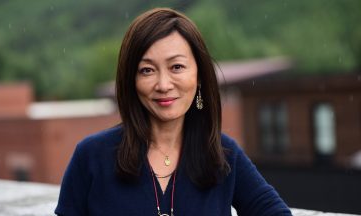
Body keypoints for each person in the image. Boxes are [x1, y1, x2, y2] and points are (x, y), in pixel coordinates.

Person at [55, 8, 292, 216]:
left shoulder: (223, 155)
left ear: (199, 76)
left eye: (176, 67)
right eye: (147, 70)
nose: (163, 84)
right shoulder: (91, 156)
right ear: (131, 80)